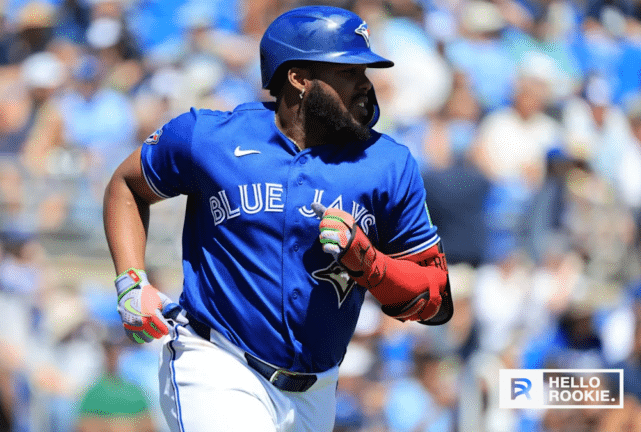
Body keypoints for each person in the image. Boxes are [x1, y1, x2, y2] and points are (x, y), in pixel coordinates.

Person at [102, 6, 453, 432]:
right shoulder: (208, 138)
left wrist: (370, 264)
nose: (365, 85)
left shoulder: (388, 163)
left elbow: (436, 299)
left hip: (316, 390)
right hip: (216, 363)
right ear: (300, 78)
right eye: (348, 72)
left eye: (366, 71)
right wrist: (131, 281)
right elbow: (126, 184)